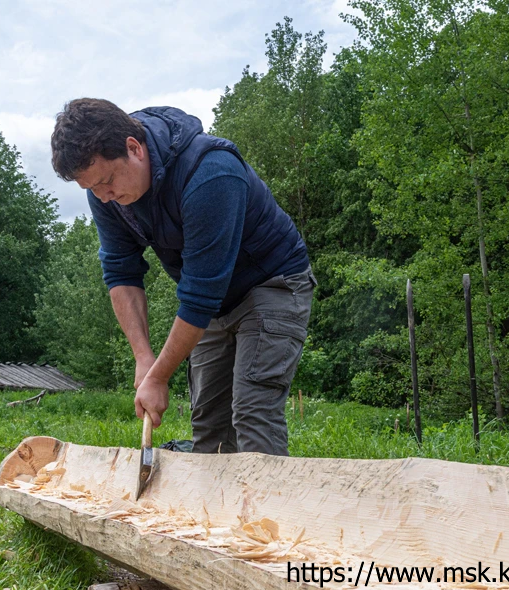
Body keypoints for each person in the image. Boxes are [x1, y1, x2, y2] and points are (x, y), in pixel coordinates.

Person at [50, 98, 314, 456]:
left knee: (253, 413)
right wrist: (144, 359)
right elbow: (121, 271)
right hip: (214, 302)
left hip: (273, 282)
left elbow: (200, 295)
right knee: (210, 424)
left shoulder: (211, 172)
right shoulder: (106, 195)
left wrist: (159, 377)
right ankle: (214, 495)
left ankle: (266, 494)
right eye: (92, 188)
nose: (104, 196)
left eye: (107, 181)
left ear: (134, 148)